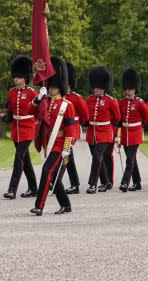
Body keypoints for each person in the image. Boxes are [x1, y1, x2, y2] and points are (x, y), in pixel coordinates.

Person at [30, 56, 78, 215]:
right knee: (55, 177)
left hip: (59, 146)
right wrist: (38, 98)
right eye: (50, 86)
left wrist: (67, 148)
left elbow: (71, 129)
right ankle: (66, 204)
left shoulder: (67, 105)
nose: (51, 89)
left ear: (60, 88)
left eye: (54, 87)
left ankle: (39, 206)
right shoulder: (45, 102)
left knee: (46, 172)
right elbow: (29, 111)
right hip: (48, 143)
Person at [0, 55, 38, 200]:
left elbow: (39, 112)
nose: (16, 79)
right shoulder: (12, 92)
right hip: (16, 129)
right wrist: (4, 116)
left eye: (19, 76)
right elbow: (9, 110)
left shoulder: (32, 93)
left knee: (18, 158)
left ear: (25, 78)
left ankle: (12, 189)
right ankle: (33, 188)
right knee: (25, 160)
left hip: (28, 128)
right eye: (15, 76)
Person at [82, 66, 121, 194]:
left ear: (104, 88)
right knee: (98, 158)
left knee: (97, 156)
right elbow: (86, 115)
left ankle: (93, 184)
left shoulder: (111, 101)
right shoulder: (90, 100)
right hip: (92, 132)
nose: (96, 90)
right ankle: (106, 182)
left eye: (99, 88)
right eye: (95, 88)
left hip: (104, 132)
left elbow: (116, 118)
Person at [117, 69, 148, 192]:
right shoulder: (122, 102)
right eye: (126, 89)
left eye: (130, 89)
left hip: (135, 133)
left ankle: (125, 182)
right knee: (132, 159)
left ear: (135, 89)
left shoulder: (140, 103)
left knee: (129, 159)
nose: (128, 91)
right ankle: (137, 183)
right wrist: (118, 134)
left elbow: (147, 119)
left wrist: (139, 128)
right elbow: (119, 120)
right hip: (125, 133)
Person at [60, 62, 87, 195]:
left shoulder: (76, 97)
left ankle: (71, 184)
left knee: (67, 155)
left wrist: (76, 125)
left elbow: (85, 116)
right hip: (60, 132)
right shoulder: (59, 96)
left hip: (72, 131)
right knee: (66, 157)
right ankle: (69, 183)